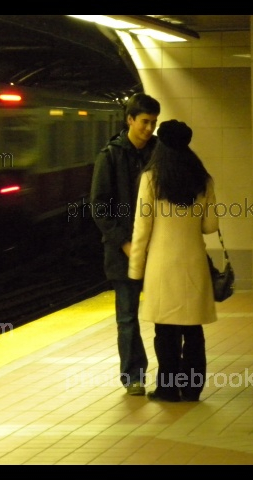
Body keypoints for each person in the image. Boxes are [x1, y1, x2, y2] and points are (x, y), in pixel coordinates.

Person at [128, 119, 218, 402]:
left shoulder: (151, 178)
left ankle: (168, 389)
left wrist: (135, 271)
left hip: (161, 265)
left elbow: (142, 229)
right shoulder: (203, 179)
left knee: (165, 330)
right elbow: (210, 226)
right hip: (193, 263)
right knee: (193, 330)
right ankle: (192, 389)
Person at [89, 93, 161, 396]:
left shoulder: (159, 153)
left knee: (162, 314)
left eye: (153, 123)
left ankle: (168, 373)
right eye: (144, 122)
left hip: (158, 247)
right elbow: (99, 205)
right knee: (128, 317)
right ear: (129, 120)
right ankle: (134, 376)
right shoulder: (110, 156)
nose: (149, 129)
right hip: (123, 251)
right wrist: (124, 242)